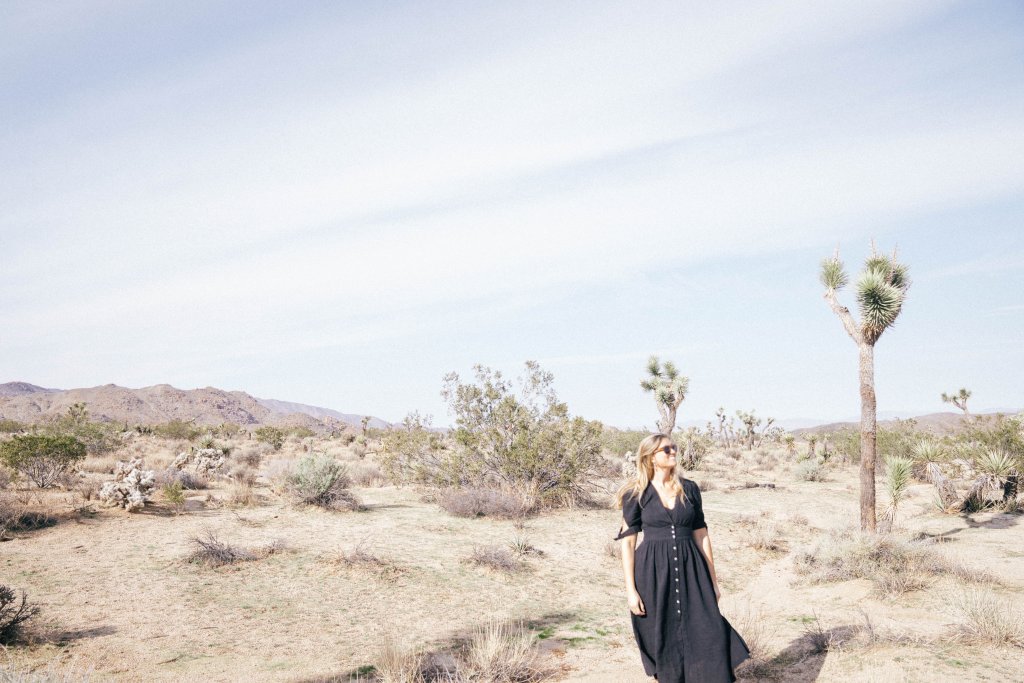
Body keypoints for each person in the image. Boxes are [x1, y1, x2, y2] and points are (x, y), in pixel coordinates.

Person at [614, 433, 749, 682]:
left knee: (711, 632)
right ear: (651, 457)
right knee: (662, 636)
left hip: (693, 571)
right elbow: (628, 543)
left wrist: (714, 582)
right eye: (666, 449)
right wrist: (630, 591)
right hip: (652, 574)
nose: (673, 452)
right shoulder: (636, 494)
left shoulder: (690, 489)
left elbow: (702, 537)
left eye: (674, 447)